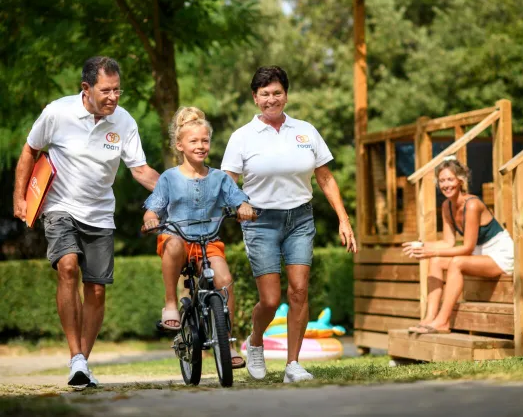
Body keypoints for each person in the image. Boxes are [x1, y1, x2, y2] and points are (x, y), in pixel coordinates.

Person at [12, 56, 160, 388]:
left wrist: (174, 188)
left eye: (117, 90)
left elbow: (140, 170)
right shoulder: (57, 112)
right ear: (86, 88)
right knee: (66, 267)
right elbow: (29, 151)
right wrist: (19, 197)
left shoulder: (124, 122)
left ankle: (82, 364)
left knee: (95, 289)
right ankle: (75, 356)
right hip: (60, 206)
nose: (113, 97)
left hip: (100, 213)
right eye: (106, 90)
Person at [221, 65, 357, 383]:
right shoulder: (242, 137)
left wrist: (344, 219)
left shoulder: (305, 131)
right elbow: (227, 182)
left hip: (300, 218)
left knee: (298, 291)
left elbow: (325, 177)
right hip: (260, 221)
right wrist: (237, 205)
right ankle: (255, 342)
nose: (272, 99)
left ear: (286, 95)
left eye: (277, 93)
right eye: (265, 94)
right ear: (255, 98)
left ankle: (292, 365)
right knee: (270, 299)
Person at [142, 106, 255, 369]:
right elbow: (154, 206)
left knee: (225, 281)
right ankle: (170, 303)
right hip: (177, 239)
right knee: (174, 244)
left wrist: (243, 208)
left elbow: (238, 199)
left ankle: (227, 341)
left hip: (208, 241)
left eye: (205, 140)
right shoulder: (169, 178)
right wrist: (150, 218)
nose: (201, 145)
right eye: (194, 141)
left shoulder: (219, 178)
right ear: (180, 145)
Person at [402, 155, 514, 335]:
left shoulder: (472, 205)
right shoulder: (446, 206)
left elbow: (467, 248)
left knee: (457, 262)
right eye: (442, 181)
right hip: (480, 254)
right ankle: (429, 318)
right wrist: (423, 246)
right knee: (436, 262)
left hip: (500, 255)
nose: (446, 185)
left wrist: (429, 251)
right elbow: (448, 242)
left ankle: (443, 321)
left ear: (460, 181)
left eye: (450, 180)